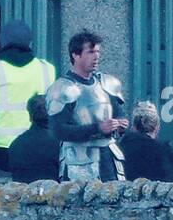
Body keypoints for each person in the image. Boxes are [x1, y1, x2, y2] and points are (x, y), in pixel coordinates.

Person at [0, 19, 56, 180]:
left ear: (2, 41)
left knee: (2, 198)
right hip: (44, 149)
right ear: (29, 41)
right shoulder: (46, 69)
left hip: (5, 153)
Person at [45, 30, 129, 181]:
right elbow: (58, 130)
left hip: (109, 159)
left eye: (97, 51)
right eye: (90, 52)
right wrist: (97, 128)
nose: (96, 57)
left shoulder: (106, 83)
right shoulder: (63, 88)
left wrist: (120, 124)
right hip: (78, 161)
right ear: (75, 55)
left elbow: (118, 113)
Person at [118, 100, 173, 182]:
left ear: (133, 125)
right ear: (157, 127)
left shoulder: (119, 148)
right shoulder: (164, 150)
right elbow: (172, 182)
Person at [6, 94, 61, 183]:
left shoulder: (16, 144)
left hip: (24, 194)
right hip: (54, 194)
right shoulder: (61, 143)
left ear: (30, 115)